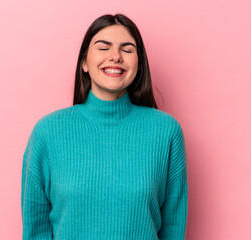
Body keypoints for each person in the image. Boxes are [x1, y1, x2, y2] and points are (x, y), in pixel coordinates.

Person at [21, 13, 188, 240]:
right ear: (84, 63)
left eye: (127, 50)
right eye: (103, 48)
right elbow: (36, 230)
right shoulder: (47, 133)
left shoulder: (166, 132)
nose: (115, 57)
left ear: (139, 65)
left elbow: (173, 227)